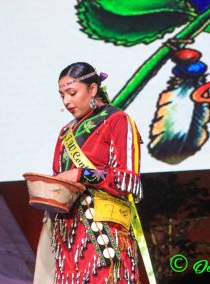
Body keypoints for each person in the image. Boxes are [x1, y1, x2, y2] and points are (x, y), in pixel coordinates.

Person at [46, 62, 143, 283]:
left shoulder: (117, 120)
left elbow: (126, 179)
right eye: (62, 95)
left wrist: (81, 175)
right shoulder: (66, 132)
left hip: (105, 231)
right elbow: (58, 176)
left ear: (92, 89)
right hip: (69, 234)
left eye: (72, 93)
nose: (66, 101)